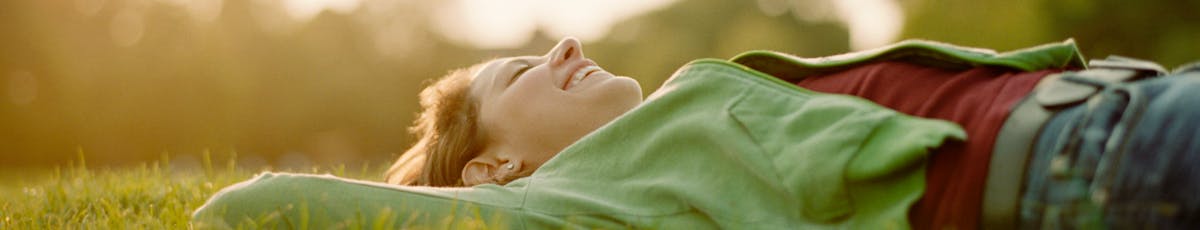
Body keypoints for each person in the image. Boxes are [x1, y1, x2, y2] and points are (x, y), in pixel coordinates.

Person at [193, 37, 1200, 229]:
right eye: (521, 73)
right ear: (498, 161)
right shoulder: (562, 197)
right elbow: (249, 208)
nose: (563, 47)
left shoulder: (672, 119)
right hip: (1104, 161)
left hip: (1130, 109)